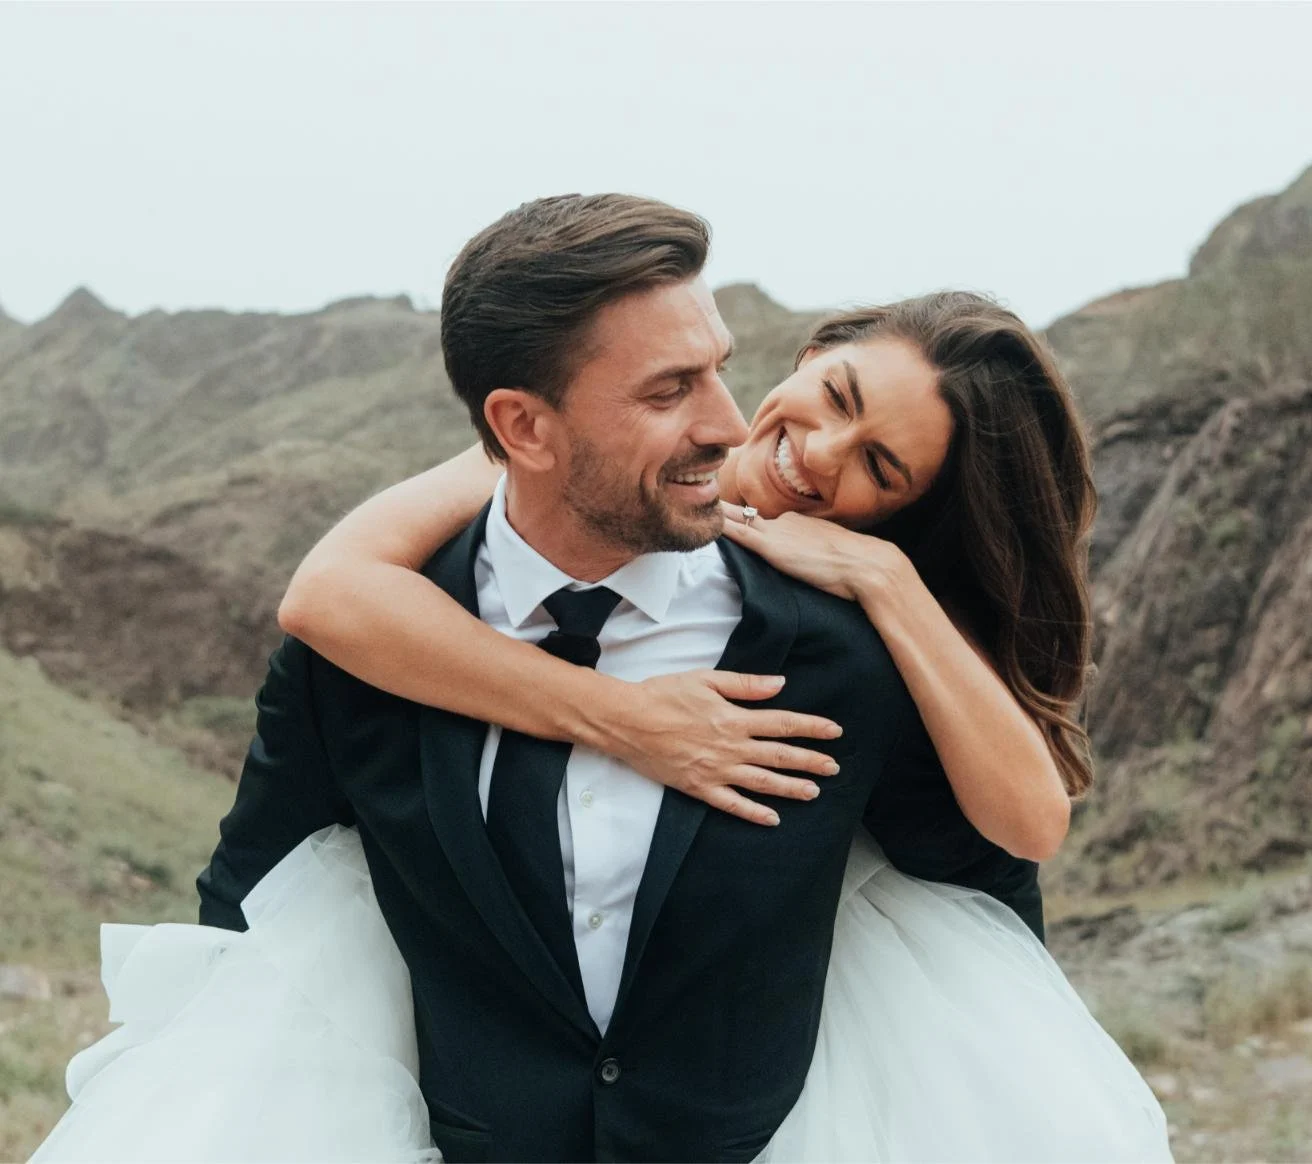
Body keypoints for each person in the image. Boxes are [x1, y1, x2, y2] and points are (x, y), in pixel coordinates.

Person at [32, 194, 1170, 1163]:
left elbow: (997, 865)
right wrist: (624, 721)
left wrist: (888, 585)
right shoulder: (384, 632)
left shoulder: (846, 649)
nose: (787, 447)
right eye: (831, 398)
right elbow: (256, 878)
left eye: (879, 468)